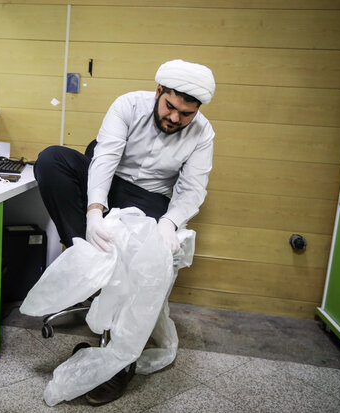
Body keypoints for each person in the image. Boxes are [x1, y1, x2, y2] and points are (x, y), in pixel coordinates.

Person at [33, 59, 216, 405]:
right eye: (171, 107)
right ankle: (84, 252)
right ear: (159, 91)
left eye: (186, 113)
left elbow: (192, 189)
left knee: (141, 251)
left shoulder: (203, 133)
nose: (176, 118)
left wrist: (169, 222)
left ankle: (117, 363)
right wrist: (93, 211)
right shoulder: (128, 105)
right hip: (111, 179)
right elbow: (105, 158)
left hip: (151, 199)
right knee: (51, 160)